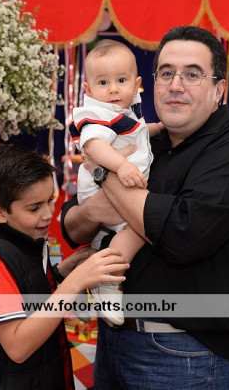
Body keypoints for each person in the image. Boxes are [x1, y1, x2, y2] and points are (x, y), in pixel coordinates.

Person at [61, 26, 229, 388]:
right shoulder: (144, 139)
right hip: (113, 340)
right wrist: (96, 206)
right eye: (166, 73)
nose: (175, 85)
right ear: (152, 83)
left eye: (192, 74)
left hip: (185, 353)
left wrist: (102, 169)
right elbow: (72, 226)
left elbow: (181, 236)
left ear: (218, 89)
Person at [0, 144, 129, 389]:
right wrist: (75, 282)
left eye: (50, 201)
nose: (48, 214)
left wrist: (63, 272)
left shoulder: (17, 240)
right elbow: (18, 347)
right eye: (34, 208)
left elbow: (24, 292)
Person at [69, 39, 163, 325]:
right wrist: (120, 166)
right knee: (137, 229)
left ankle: (91, 275)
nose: (112, 89)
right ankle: (108, 282)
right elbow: (94, 146)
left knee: (110, 239)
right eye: (103, 82)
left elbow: (134, 133)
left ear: (136, 85)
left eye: (121, 80)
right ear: (88, 90)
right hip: (103, 188)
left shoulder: (123, 112)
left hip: (116, 188)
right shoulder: (97, 114)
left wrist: (158, 128)